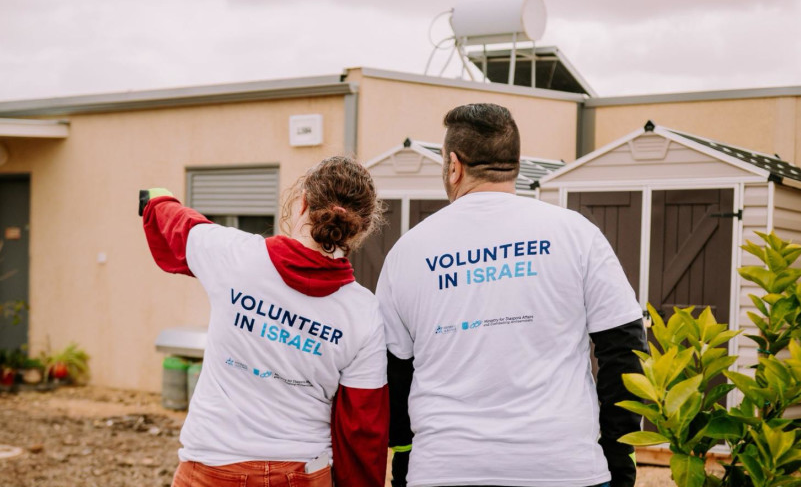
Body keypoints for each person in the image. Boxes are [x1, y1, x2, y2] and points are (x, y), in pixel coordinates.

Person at [377, 103, 647, 487]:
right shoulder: (576, 234)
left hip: (444, 469)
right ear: (516, 163)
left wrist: (404, 457)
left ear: (453, 166)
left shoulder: (407, 252)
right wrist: (620, 457)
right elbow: (625, 347)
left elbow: (394, 371)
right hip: (563, 470)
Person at [140, 156, 389, 487]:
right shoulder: (363, 311)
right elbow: (364, 427)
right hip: (303, 472)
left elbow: (180, 225)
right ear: (362, 228)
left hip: (211, 467)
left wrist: (156, 201)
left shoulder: (235, 256)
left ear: (302, 202)